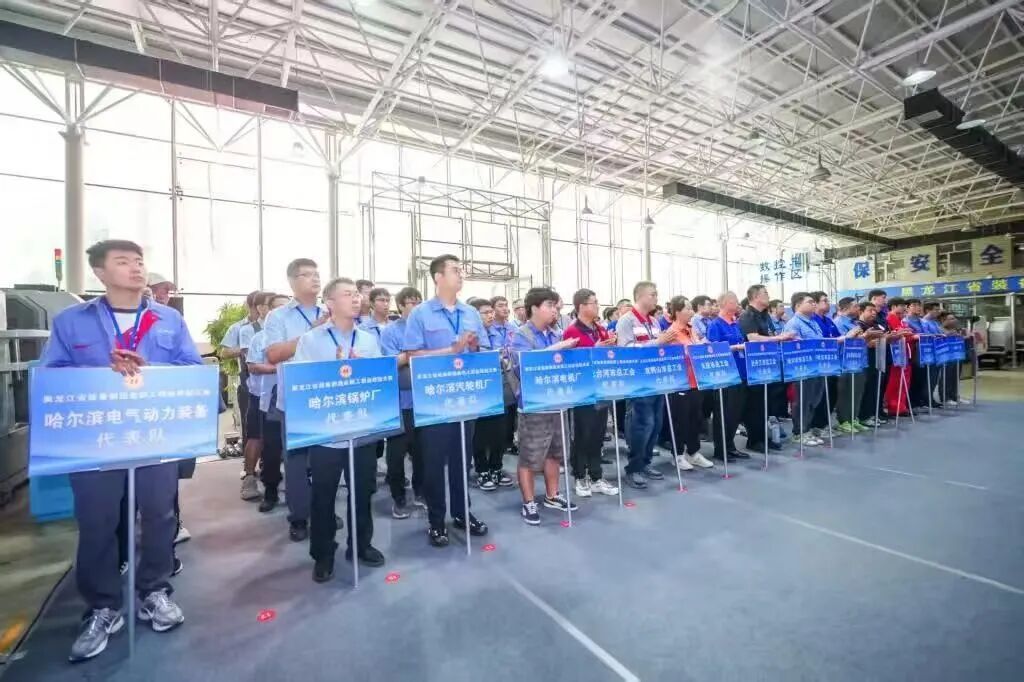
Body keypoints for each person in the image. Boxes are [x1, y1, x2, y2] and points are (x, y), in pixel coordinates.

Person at [42, 240, 197, 662]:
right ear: (100, 272)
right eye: (123, 262)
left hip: (156, 435)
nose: (136, 268)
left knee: (160, 516)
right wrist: (101, 372)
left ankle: (155, 591)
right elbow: (51, 374)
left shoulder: (168, 319)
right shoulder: (71, 321)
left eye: (139, 261)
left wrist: (152, 370)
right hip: (98, 438)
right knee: (97, 522)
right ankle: (103, 606)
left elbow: (191, 368)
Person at [291, 277, 385, 583]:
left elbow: (380, 379)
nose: (356, 299)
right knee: (323, 496)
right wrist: (332, 371)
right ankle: (323, 554)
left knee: (363, 492)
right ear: (330, 303)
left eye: (357, 294)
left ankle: (361, 545)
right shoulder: (311, 340)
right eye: (347, 294)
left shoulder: (368, 340)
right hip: (326, 434)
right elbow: (301, 384)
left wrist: (363, 368)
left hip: (361, 430)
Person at [403, 254, 490, 547]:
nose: (461, 274)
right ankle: (436, 520)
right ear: (438, 277)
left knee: (462, 460)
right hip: (435, 401)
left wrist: (474, 347)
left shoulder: (471, 313)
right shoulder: (420, 314)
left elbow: (483, 351)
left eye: (461, 270)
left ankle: (462, 512)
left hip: (466, 397)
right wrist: (450, 350)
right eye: (455, 270)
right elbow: (413, 355)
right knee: (433, 462)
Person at [264, 258, 326, 542]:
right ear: (291, 281)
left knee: (326, 461)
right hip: (296, 400)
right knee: (297, 464)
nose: (315, 279)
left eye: (317, 274)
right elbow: (273, 354)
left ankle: (323, 511)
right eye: (306, 275)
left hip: (328, 397)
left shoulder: (331, 311)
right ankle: (299, 517)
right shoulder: (278, 317)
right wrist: (313, 332)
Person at [510, 287, 580, 524]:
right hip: (533, 406)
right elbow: (523, 367)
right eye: (549, 305)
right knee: (530, 457)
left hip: (557, 401)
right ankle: (528, 501)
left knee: (555, 453)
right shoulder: (520, 335)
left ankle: (552, 494)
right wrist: (558, 349)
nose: (555, 310)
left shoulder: (556, 334)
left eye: (555, 306)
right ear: (534, 308)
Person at [616, 281, 678, 488]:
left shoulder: (654, 321)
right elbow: (625, 349)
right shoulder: (626, 320)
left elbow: (658, 347)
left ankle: (645, 462)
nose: (656, 298)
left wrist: (665, 344)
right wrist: (657, 342)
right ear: (640, 296)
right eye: (652, 294)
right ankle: (633, 467)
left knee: (656, 423)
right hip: (638, 380)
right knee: (642, 424)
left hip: (655, 378)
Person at [562, 288, 620, 496]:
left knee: (597, 435)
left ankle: (596, 476)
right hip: (583, 391)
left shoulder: (600, 329)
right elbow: (570, 364)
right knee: (582, 435)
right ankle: (580, 476)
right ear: (581, 306)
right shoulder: (572, 332)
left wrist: (611, 346)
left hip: (601, 388)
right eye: (593, 302)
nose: (597, 306)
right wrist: (595, 349)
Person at [378, 287, 427, 518]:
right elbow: (390, 364)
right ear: (400, 306)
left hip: (424, 402)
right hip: (399, 403)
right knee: (396, 454)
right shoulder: (390, 332)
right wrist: (412, 355)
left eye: (419, 302)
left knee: (423, 452)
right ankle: (398, 497)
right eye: (411, 303)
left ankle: (421, 491)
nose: (416, 307)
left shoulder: (427, 330)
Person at [738, 284, 795, 452]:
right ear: (756, 296)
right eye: (765, 293)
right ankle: (754, 440)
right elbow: (752, 338)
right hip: (754, 366)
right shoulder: (747, 315)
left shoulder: (765, 316)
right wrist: (778, 338)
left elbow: (771, 335)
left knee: (766, 404)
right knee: (755, 405)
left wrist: (781, 337)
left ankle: (764, 437)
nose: (768, 296)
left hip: (769, 364)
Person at [246, 293, 290, 512]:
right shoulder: (260, 338)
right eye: (278, 308)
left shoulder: (303, 336)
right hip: (271, 399)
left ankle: (300, 493)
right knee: (271, 450)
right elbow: (253, 366)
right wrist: (280, 368)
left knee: (301, 450)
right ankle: (271, 492)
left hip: (298, 398)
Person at [663, 296, 715, 470]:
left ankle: (693, 452)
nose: (691, 312)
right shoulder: (672, 332)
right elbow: (674, 356)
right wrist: (692, 350)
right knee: (680, 420)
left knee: (695, 418)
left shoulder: (691, 329)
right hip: (681, 382)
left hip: (696, 381)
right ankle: (677, 455)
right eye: (687, 308)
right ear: (677, 312)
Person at [469, 298, 509, 491]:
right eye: (485, 313)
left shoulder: (497, 332)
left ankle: (496, 467)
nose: (490, 315)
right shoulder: (469, 335)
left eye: (491, 312)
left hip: (498, 388)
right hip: (478, 390)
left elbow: (504, 356)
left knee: (500, 432)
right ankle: (482, 470)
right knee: (480, 433)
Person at [705, 292, 751, 460]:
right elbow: (713, 350)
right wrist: (736, 348)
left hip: (740, 371)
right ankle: (721, 449)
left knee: (735, 412)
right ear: (724, 303)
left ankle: (730, 445)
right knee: (724, 412)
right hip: (725, 374)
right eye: (734, 301)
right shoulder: (715, 325)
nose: (737, 304)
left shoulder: (735, 323)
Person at [238, 292, 274, 502]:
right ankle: (249, 477)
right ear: (260, 307)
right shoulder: (250, 332)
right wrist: (278, 368)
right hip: (258, 393)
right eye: (272, 306)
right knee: (256, 436)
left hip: (283, 393)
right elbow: (251, 364)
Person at [784, 292, 826, 446]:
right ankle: (799, 432)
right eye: (810, 302)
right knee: (802, 400)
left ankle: (807, 429)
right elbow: (792, 347)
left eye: (814, 302)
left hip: (817, 366)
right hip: (802, 368)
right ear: (798, 305)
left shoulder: (813, 322)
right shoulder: (793, 324)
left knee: (813, 400)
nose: (814, 304)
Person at [837, 303, 879, 434]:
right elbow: (841, 341)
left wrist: (866, 337)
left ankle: (853, 418)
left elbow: (860, 340)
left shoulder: (854, 323)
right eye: (855, 306)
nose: (857, 309)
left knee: (857, 392)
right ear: (845, 308)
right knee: (846, 393)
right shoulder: (838, 323)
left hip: (859, 360)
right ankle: (844, 421)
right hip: (846, 362)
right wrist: (865, 336)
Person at [489, 295, 520, 458]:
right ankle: (497, 445)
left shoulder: (513, 328)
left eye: (506, 305)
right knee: (501, 413)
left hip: (512, 375)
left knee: (513, 410)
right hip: (497, 376)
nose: (505, 308)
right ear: (492, 309)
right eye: (500, 305)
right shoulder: (488, 329)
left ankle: (509, 441)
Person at [809, 292, 841, 437]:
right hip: (819, 364)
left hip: (832, 362)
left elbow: (837, 336)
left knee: (831, 394)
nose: (828, 303)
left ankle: (824, 423)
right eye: (824, 301)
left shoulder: (828, 320)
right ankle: (817, 426)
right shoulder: (812, 321)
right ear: (815, 303)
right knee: (820, 396)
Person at [883, 297, 914, 416]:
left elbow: (907, 334)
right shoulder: (890, 318)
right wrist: (908, 334)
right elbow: (897, 335)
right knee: (895, 382)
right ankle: (895, 407)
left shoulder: (901, 320)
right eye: (901, 306)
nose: (904, 309)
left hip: (904, 354)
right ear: (894, 307)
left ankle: (902, 406)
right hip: (896, 354)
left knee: (904, 381)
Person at [922, 302, 944, 408]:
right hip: (929, 353)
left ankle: (930, 397)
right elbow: (926, 336)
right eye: (936, 309)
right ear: (928, 310)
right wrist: (938, 335)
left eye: (938, 309)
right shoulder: (924, 322)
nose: (938, 312)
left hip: (937, 353)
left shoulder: (935, 322)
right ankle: (926, 399)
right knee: (929, 378)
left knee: (934, 377)